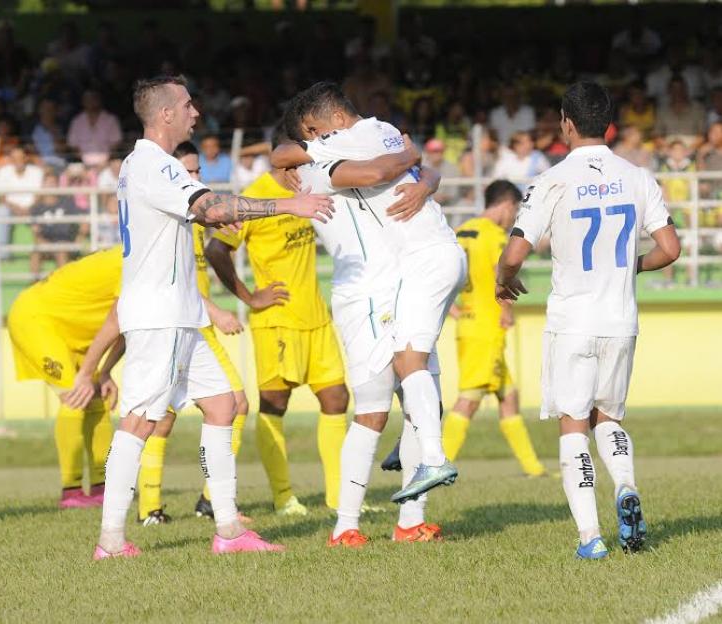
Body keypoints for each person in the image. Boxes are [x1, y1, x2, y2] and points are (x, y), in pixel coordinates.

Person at [61, 74, 332, 559]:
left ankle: (227, 531)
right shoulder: (152, 165)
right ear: (165, 114)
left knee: (223, 405)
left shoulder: (152, 166)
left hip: (182, 315)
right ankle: (110, 541)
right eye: (188, 105)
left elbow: (202, 209)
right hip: (160, 316)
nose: (196, 113)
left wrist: (218, 212)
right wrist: (291, 204)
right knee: (140, 421)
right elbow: (209, 206)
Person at [496, 81, 681, 559]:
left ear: (567, 124)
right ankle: (625, 487)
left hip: (573, 320)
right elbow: (670, 249)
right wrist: (625, 268)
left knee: (574, 424)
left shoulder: (552, 180)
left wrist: (503, 278)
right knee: (610, 417)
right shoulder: (638, 176)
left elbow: (516, 251)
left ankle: (590, 537)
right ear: (610, 123)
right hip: (621, 320)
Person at [272, 81, 465, 506]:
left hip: (403, 274)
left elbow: (291, 155)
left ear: (335, 122)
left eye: (316, 133)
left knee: (405, 377)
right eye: (311, 138)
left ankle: (421, 465)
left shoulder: (345, 147)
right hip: (366, 292)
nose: (317, 142)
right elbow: (284, 155)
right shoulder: (374, 140)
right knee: (388, 399)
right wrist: (418, 166)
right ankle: (351, 519)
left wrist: (420, 175)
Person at [206, 147, 350, 518]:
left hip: (316, 316)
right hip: (277, 321)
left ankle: (338, 498)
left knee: (336, 399)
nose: (308, 172)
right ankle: (284, 497)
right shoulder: (253, 198)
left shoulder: (309, 189)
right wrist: (251, 297)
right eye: (302, 167)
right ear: (283, 166)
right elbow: (216, 250)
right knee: (275, 405)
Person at [136, 141, 250, 525]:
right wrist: (215, 309)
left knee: (218, 407)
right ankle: (162, 507)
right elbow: (173, 278)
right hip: (181, 322)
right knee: (163, 418)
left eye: (199, 171)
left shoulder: (189, 217)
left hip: (192, 324)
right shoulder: (167, 214)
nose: (197, 178)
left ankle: (191, 503)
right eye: (190, 172)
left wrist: (222, 216)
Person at [442, 180, 545, 477]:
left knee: (508, 396)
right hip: (487, 328)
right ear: (506, 205)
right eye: (514, 210)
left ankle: (534, 470)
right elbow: (502, 274)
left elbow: (444, 273)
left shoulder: (460, 232)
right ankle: (437, 466)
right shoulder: (495, 236)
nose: (513, 217)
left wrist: (451, 307)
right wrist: (507, 310)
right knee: (470, 398)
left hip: (468, 324)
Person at [7, 247, 119, 510]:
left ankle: (103, 488)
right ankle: (71, 491)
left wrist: (105, 372)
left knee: (98, 401)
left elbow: (131, 323)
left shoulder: (148, 260)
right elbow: (119, 317)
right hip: (37, 319)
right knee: (75, 397)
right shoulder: (134, 262)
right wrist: (89, 373)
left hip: (73, 330)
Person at [0, 145, 44, 258]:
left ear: (26, 158)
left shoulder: (37, 172)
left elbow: (40, 196)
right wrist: (16, 209)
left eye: (21, 158)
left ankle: (43, 253)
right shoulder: (3, 172)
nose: (18, 161)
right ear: (10, 160)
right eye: (14, 158)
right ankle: (3, 256)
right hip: (11, 209)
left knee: (44, 212)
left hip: (33, 208)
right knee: (1, 212)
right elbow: (1, 197)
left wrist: (30, 208)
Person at [30, 170, 82, 276]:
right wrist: (48, 245)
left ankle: (64, 287)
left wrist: (78, 240)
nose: (50, 186)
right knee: (35, 254)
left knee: (61, 251)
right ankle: (34, 286)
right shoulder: (36, 208)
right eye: (48, 183)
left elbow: (83, 222)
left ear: (58, 185)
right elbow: (36, 235)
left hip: (65, 243)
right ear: (43, 185)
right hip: (46, 244)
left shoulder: (67, 202)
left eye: (53, 183)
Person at [66, 89, 122, 168]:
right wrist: (83, 161)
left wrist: (105, 161)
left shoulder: (111, 119)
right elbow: (73, 144)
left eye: (93, 98)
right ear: (83, 102)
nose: (90, 102)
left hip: (107, 164)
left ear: (99, 100)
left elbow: (116, 143)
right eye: (87, 99)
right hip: (82, 165)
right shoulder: (77, 121)